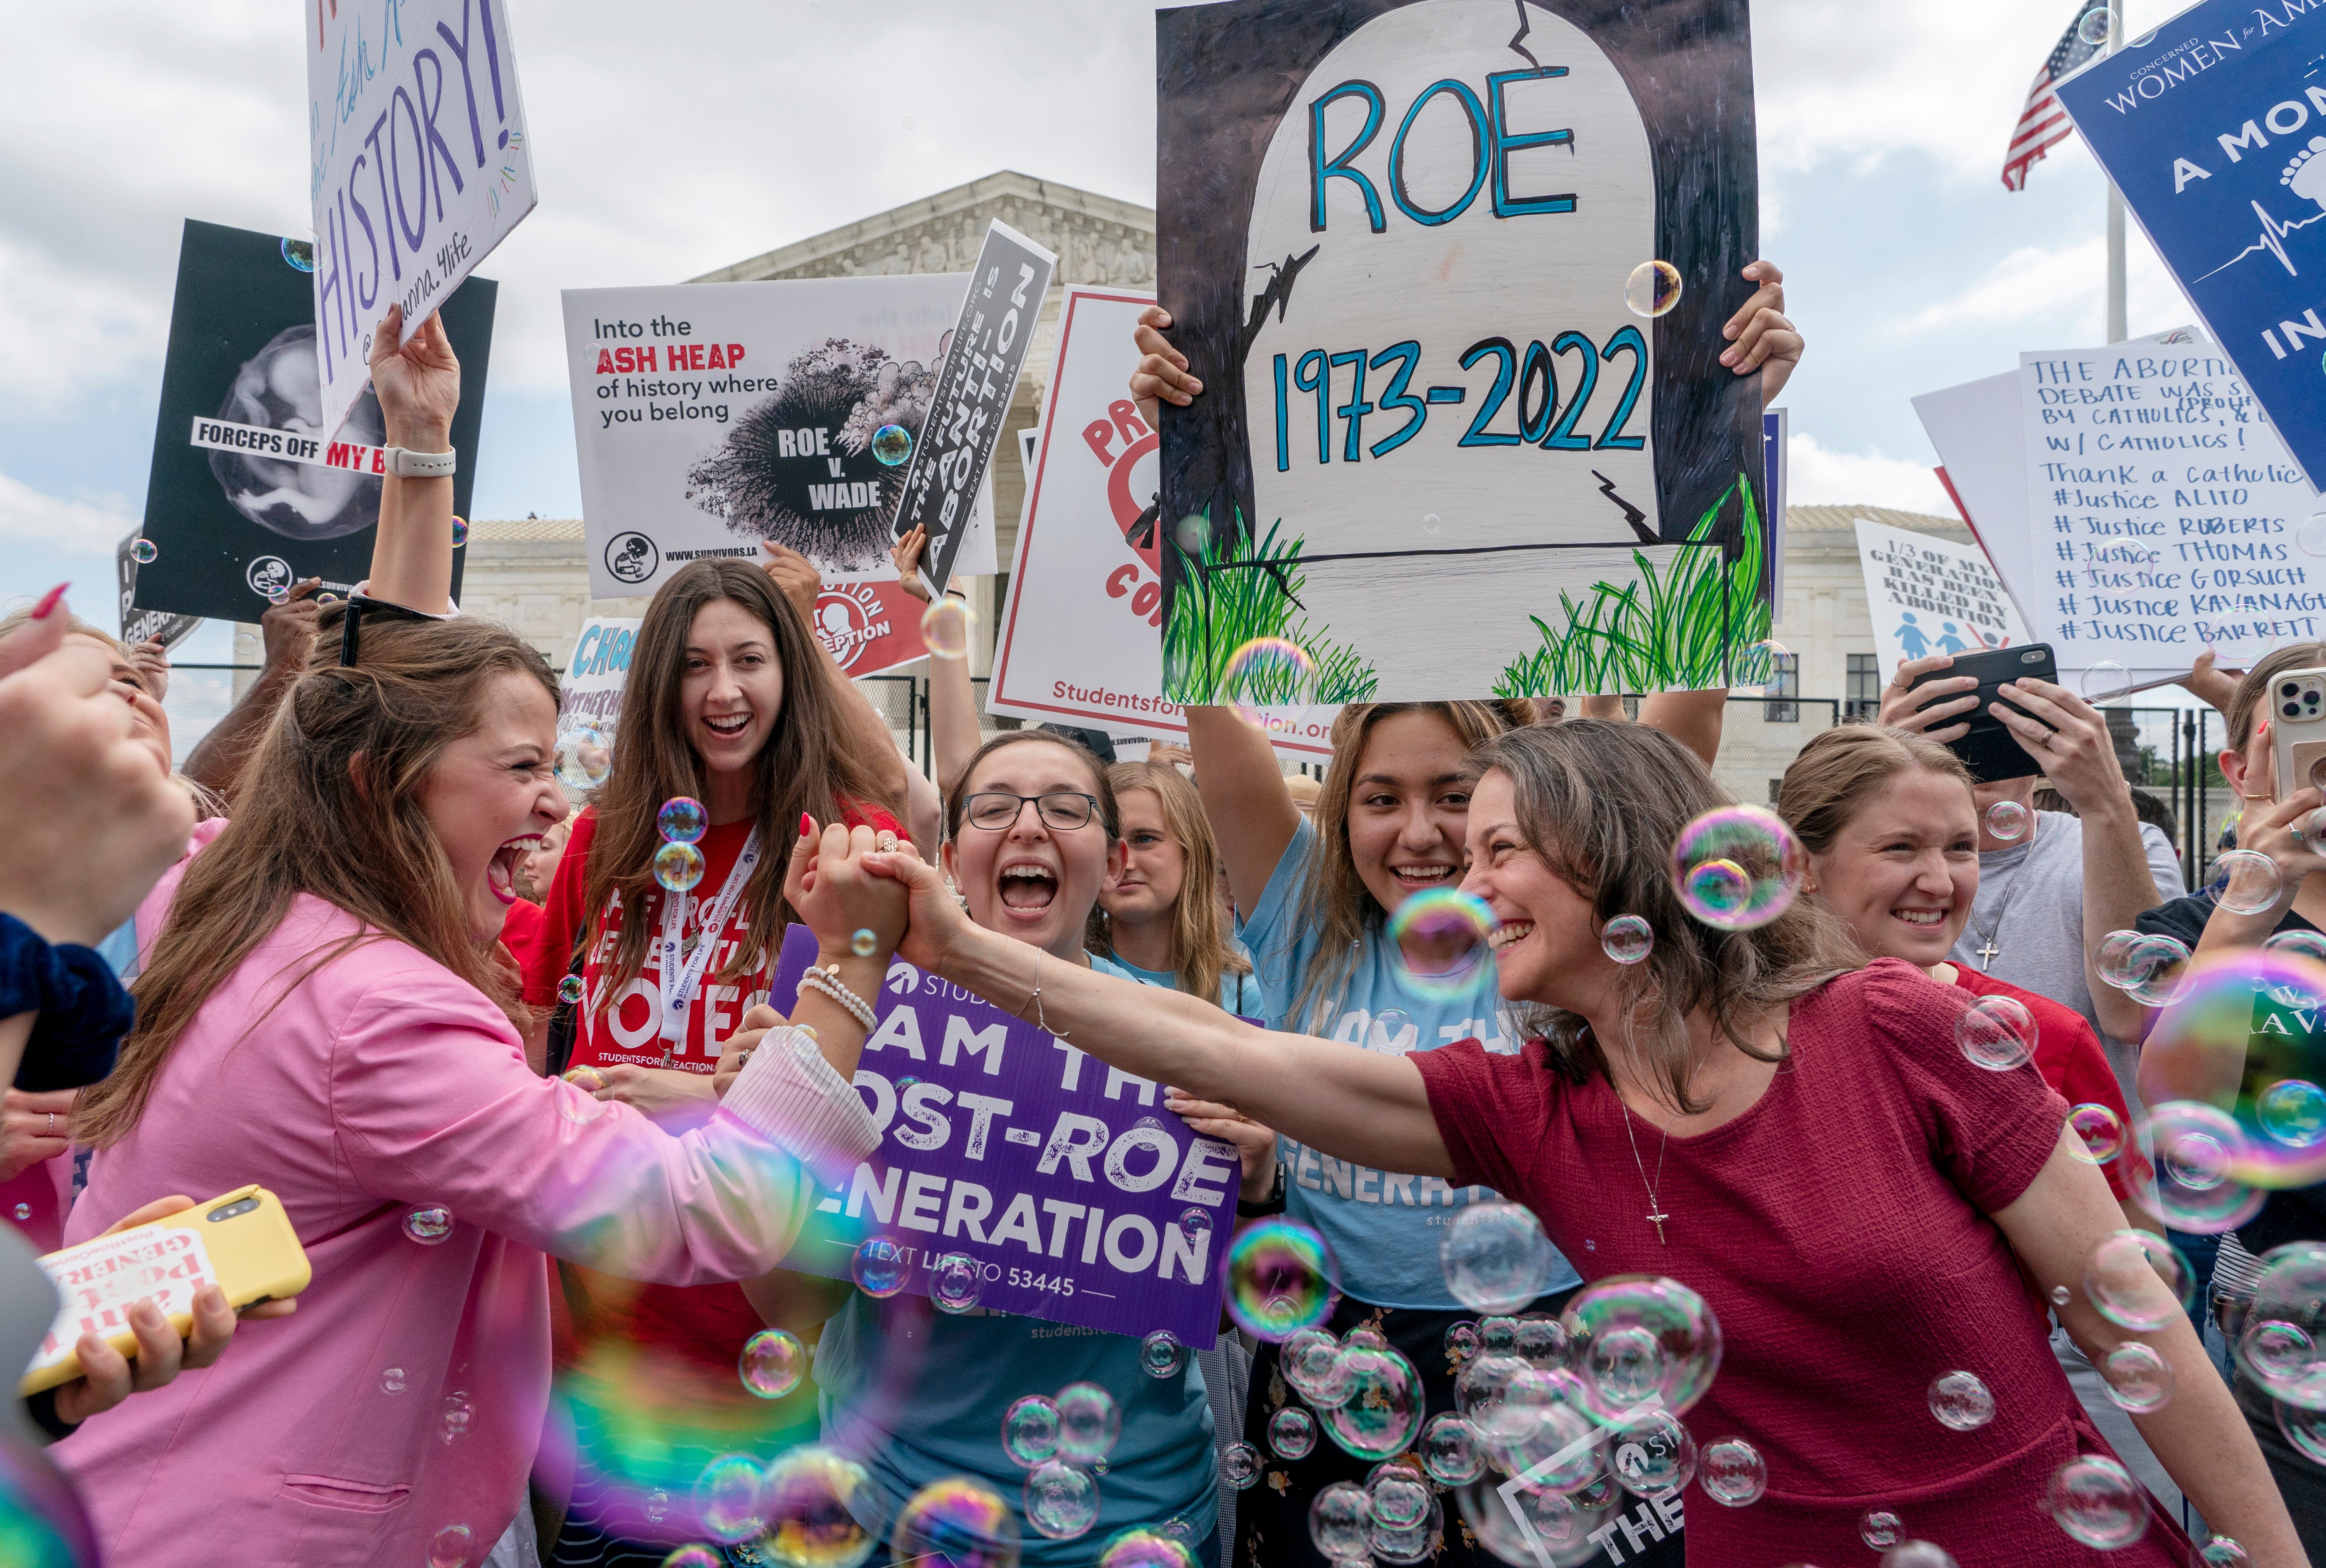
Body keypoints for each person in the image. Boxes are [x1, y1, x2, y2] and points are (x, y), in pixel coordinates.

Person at [863, 718, 2307, 1566]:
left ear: (1615, 854)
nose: (1464, 878)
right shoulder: (1536, 1114)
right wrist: (965, 950)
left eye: (1501, 847)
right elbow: (1230, 1052)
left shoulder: (1889, 1028)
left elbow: (2140, 1331)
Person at [50, 303, 912, 1567]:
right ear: (389, 792)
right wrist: (848, 968)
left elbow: (371, 706)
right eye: (521, 766)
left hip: (135, 1484)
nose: (560, 802)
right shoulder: (382, 1010)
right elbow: (705, 1202)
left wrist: (419, 452)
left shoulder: (221, 893)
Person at [771, 730, 1266, 1568]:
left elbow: (1219, 1309)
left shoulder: (1194, 1040)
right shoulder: (859, 1026)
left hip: (1138, 1524)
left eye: (1065, 808)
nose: (1030, 827)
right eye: (996, 806)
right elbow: (786, 1308)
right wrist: (780, 1121)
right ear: (954, 858)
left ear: (1111, 865)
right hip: (896, 1519)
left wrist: (1256, 1185)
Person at [519, 554, 908, 1564]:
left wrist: (692, 1094)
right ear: (659, 685)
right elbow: (533, 1041)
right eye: (693, 665)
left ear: (794, 676)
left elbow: (873, 1077)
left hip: (766, 1332)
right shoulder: (601, 840)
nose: (723, 691)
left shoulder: (850, 844)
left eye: (751, 659)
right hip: (598, 1331)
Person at [1775, 723, 2190, 1520]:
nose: (1939, 880)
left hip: (1988, 1471)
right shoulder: (1719, 1040)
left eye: (1961, 848)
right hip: (1796, 1479)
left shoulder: (2042, 1038)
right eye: (1901, 847)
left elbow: (2139, 1292)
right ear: (1800, 867)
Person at [2132, 641, 2326, 1553]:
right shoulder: (2191, 930)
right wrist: (2257, 895)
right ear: (2237, 768)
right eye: (2301, 732)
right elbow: (2181, 1106)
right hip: (2288, 1322)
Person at [1879, 655, 2185, 1101]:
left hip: (2090, 1157)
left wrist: (2107, 801)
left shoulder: (2125, 838)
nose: (1974, 746)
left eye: (2004, 720)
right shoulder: (1878, 859)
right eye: (1951, 724)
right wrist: (1879, 768)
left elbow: (2135, 1015)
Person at [1090, 760, 1265, 1018]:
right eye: (1108, 841)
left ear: (1192, 852)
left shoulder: (1248, 1000)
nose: (1125, 862)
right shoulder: (1050, 975)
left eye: (1145, 839)